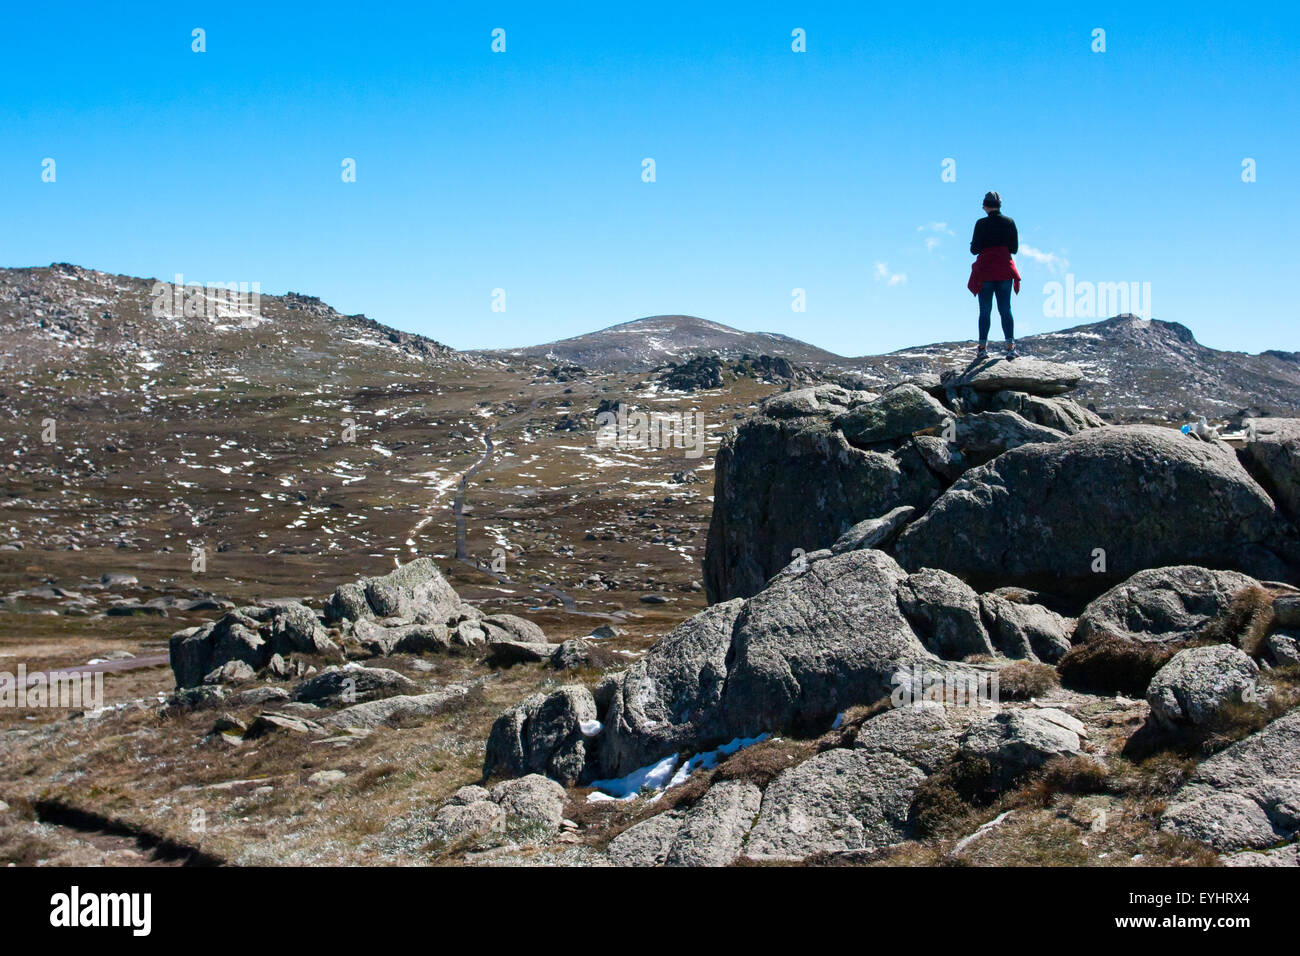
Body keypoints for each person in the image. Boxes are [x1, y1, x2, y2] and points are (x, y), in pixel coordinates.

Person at [967, 191, 1021, 359]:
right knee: (1005, 309)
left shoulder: (981, 224)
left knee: (985, 310)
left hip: (986, 271)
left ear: (985, 206)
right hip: (1004, 269)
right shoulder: (1009, 222)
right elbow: (1014, 249)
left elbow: (974, 249)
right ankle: (1010, 347)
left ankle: (982, 349)